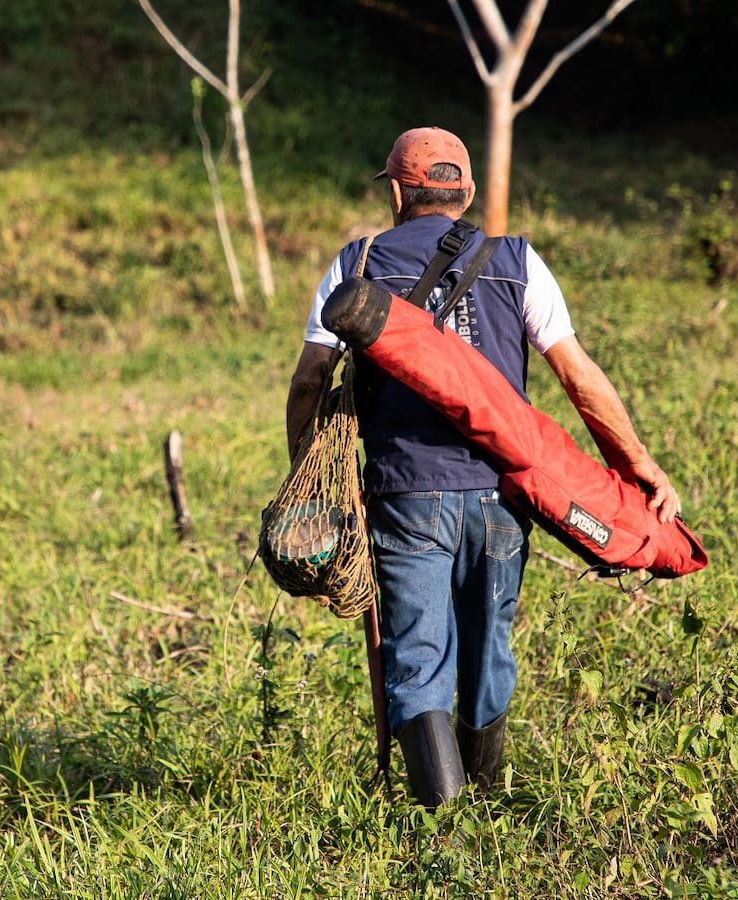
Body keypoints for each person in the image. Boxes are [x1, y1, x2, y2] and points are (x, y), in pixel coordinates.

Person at [285, 126, 680, 809]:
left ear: (400, 192)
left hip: (405, 496)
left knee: (416, 656)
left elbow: (308, 382)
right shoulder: (518, 261)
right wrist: (637, 463)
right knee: (489, 647)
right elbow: (580, 378)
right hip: (503, 495)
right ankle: (487, 804)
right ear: (465, 192)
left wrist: (310, 480)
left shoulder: (356, 262)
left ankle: (443, 826)